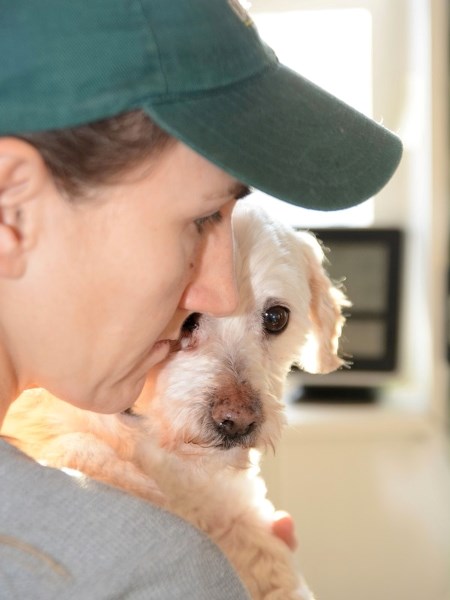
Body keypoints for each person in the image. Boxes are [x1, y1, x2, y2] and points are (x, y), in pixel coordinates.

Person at [0, 1, 402, 598]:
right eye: (199, 219)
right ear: (13, 207)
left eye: (271, 317)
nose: (212, 289)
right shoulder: (148, 567)